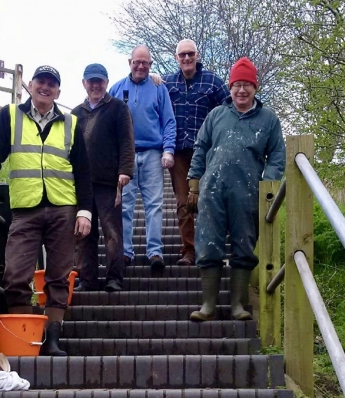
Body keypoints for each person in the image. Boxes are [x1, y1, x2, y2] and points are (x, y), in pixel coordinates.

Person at [0, 65, 93, 355]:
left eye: (52, 83)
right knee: (15, 274)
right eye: (41, 81)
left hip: (63, 208)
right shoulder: (10, 116)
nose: (46, 87)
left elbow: (83, 171)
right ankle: (25, 339)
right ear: (30, 84)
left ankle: (52, 338)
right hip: (25, 209)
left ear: (58, 91)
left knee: (59, 275)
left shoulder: (71, 122)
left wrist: (85, 211)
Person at [187, 57, 285, 321]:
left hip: (248, 191)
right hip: (211, 191)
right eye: (237, 85)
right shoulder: (216, 115)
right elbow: (200, 148)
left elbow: (277, 154)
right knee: (208, 244)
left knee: (244, 245)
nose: (241, 90)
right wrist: (194, 184)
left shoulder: (268, 120)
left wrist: (269, 182)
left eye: (247, 85)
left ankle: (238, 306)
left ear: (255, 87)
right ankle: (208, 306)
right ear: (230, 88)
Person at [162, 39, 230, 266]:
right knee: (183, 203)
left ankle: (211, 249)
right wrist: (153, 80)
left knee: (209, 201)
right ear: (176, 58)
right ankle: (189, 251)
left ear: (197, 55)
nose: (187, 58)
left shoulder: (213, 81)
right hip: (179, 154)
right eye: (182, 55)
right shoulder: (168, 83)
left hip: (208, 153)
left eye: (190, 54)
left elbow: (230, 110)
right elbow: (154, 105)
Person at [109, 45, 176, 271]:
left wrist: (168, 150)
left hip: (153, 154)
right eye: (137, 62)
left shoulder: (159, 89)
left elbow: (168, 121)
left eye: (145, 63)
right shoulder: (117, 88)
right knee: (125, 206)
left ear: (150, 65)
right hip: (125, 157)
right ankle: (126, 251)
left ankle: (155, 251)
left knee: (154, 205)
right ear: (129, 62)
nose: (140, 66)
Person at [71, 63, 135, 292]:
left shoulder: (118, 108)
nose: (95, 85)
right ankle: (87, 279)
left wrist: (125, 170)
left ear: (106, 82)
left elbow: (127, 141)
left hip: (109, 183)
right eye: (91, 81)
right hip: (81, 184)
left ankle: (114, 279)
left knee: (112, 233)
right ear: (84, 83)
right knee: (83, 234)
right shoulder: (75, 114)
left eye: (100, 80)